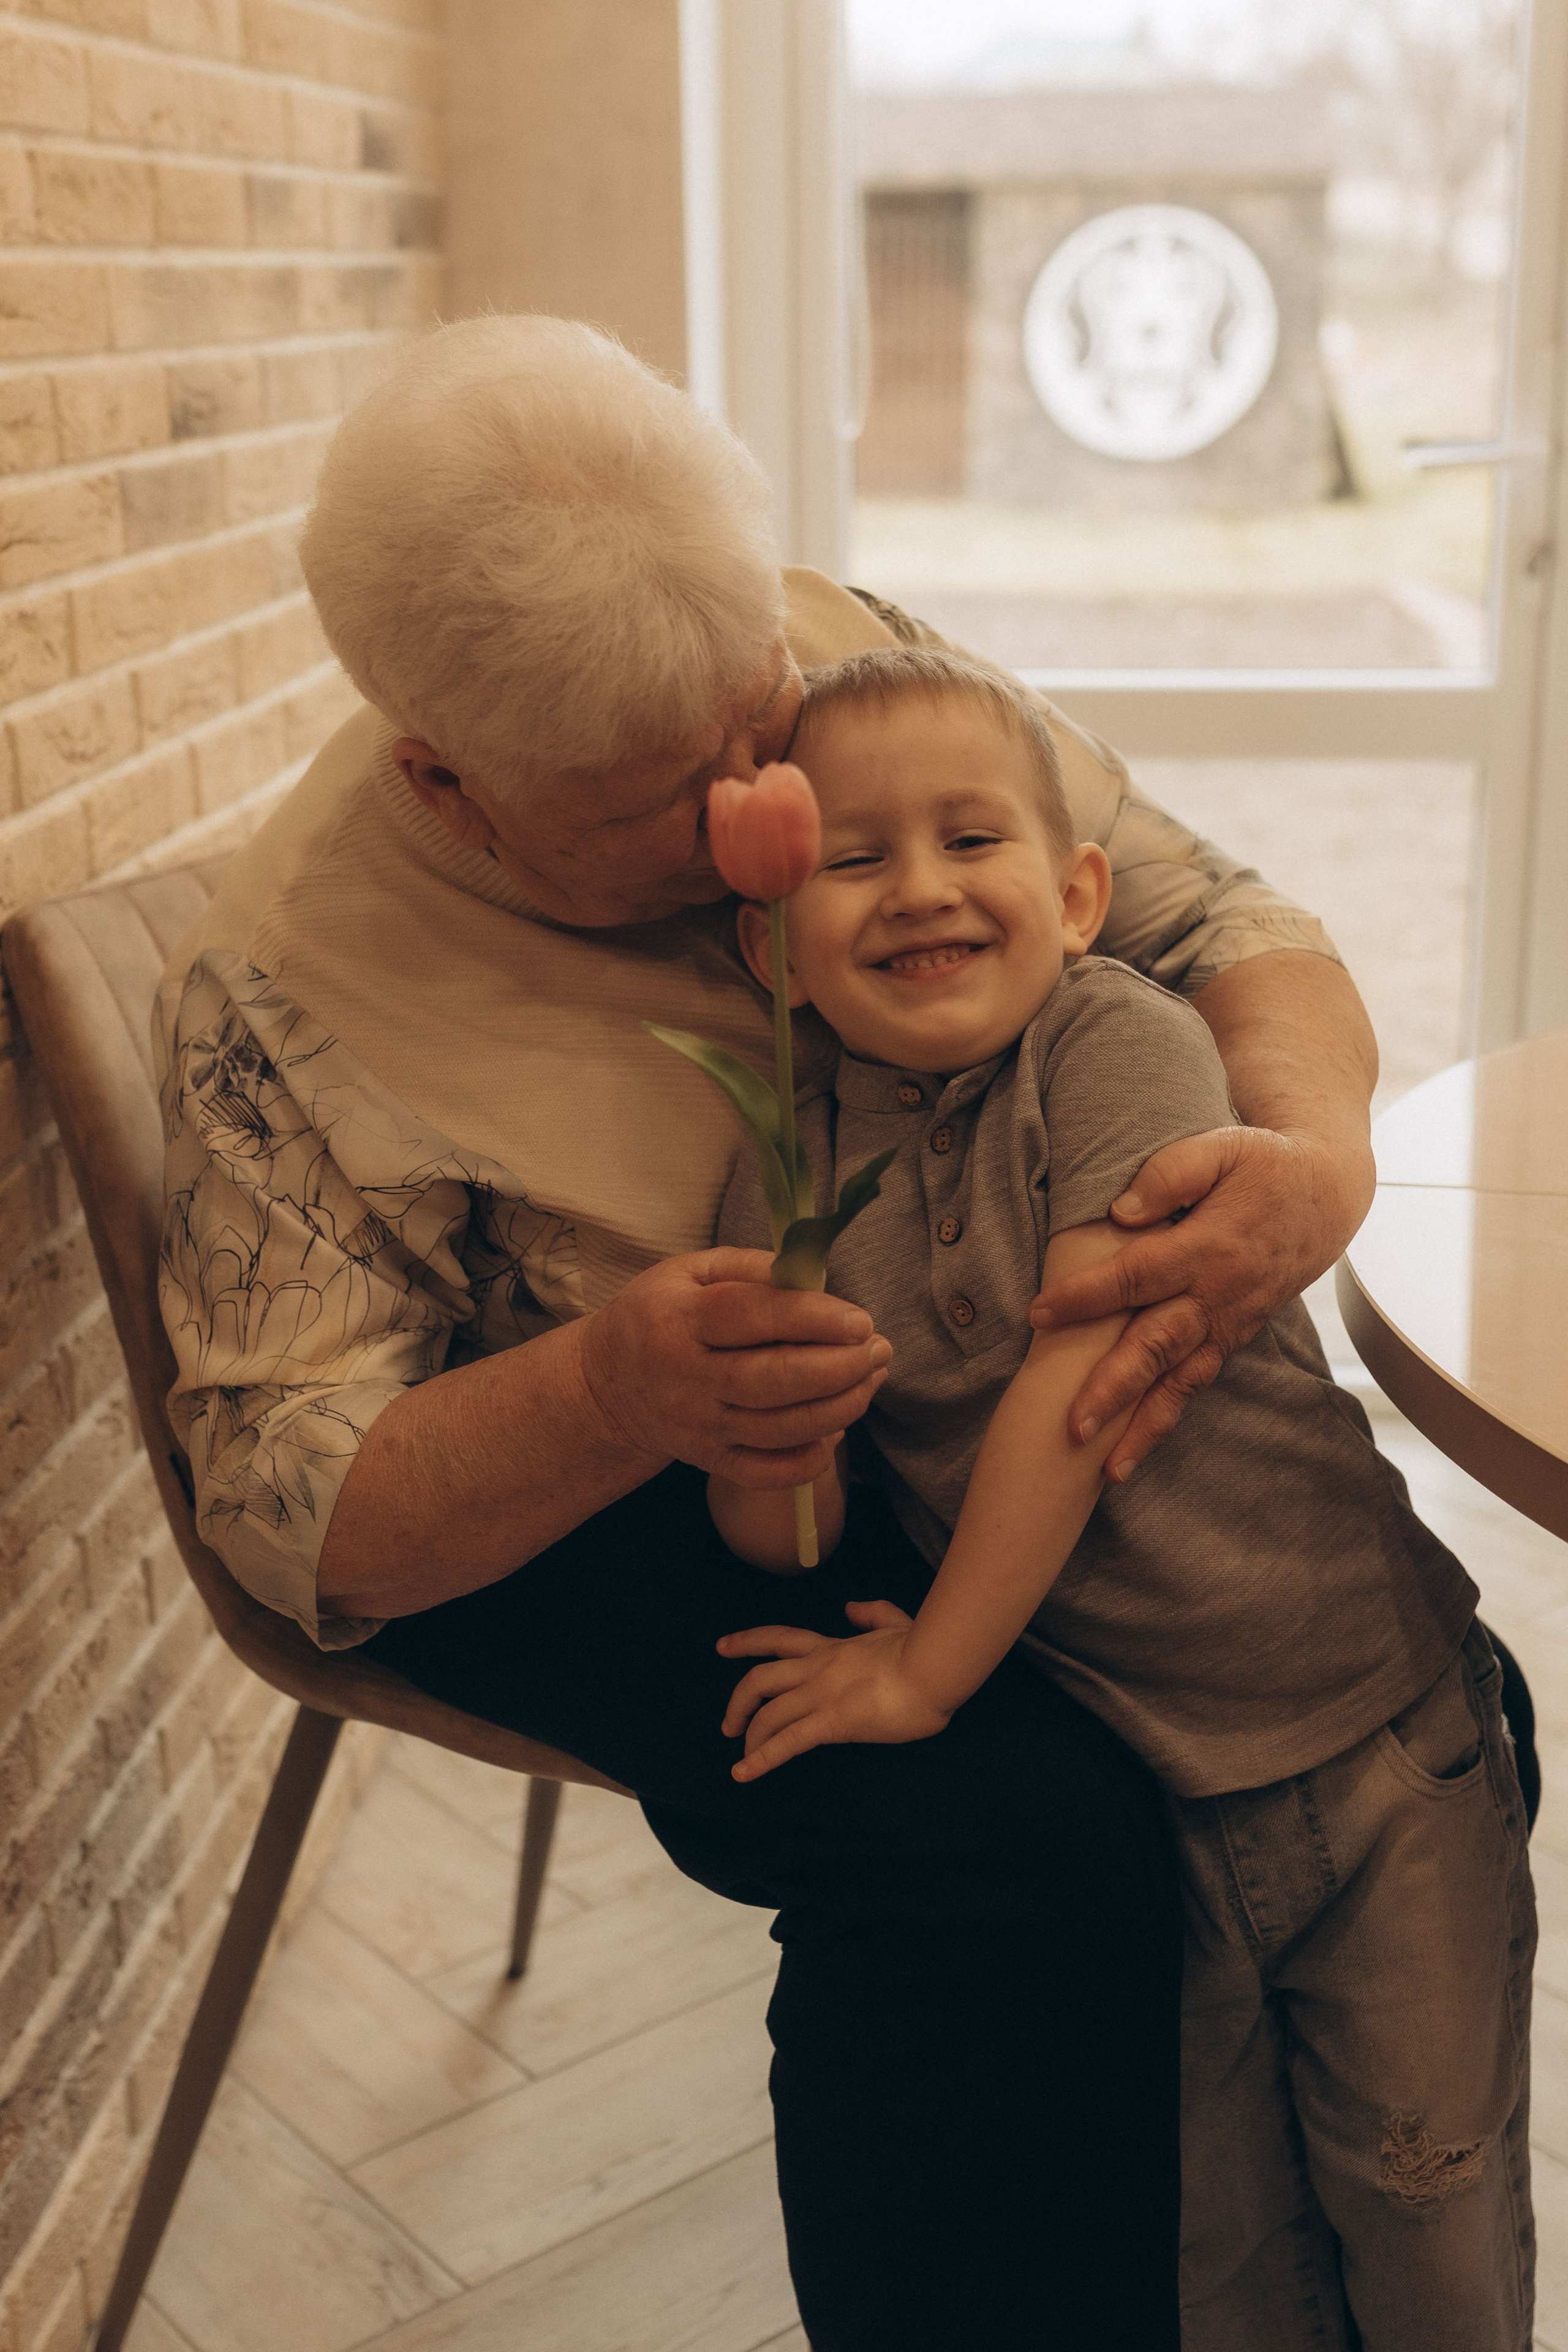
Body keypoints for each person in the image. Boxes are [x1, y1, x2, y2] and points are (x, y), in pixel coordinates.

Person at [156, 314, 1383, 2351]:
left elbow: (1208, 913)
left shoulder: (825, 657)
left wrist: (1312, 1164)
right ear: (447, 786)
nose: (773, 804)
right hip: (588, 1472)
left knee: (1382, 1706)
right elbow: (296, 1510)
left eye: (761, 716)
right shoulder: (293, 994)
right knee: (996, 1842)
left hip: (962, 1380)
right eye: (674, 798)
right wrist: (611, 1386)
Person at [710, 644, 1536, 2352]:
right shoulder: (777, 1161)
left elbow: (1078, 1391)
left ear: (1080, 893)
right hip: (1154, 1796)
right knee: (1223, 2262)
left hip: (1371, 1741)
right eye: (856, 860)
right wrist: (758, 1448)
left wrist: (929, 1670)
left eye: (970, 842)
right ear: (769, 936)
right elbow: (778, 1517)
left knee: (1428, 2213)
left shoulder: (1117, 1043)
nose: (921, 890)